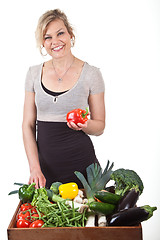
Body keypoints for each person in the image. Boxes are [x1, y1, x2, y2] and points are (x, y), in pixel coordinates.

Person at [22, 9, 105, 189]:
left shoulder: (91, 74)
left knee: (91, 217)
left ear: (70, 34)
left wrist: (85, 124)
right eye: (47, 37)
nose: (55, 42)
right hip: (46, 172)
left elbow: (100, 127)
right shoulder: (33, 74)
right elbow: (27, 125)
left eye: (60, 33)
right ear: (42, 43)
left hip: (84, 170)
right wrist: (35, 168)